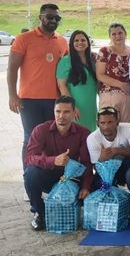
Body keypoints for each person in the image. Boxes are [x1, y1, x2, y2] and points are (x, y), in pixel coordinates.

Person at [8, 3, 68, 165]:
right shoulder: (24, 39)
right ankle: (29, 175)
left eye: (57, 18)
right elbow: (12, 69)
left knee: (52, 138)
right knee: (31, 139)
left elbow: (68, 67)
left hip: (55, 101)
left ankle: (47, 175)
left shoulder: (62, 42)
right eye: (49, 17)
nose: (53, 20)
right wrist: (13, 95)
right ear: (40, 17)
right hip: (29, 100)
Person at [23, 96, 93, 231]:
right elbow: (29, 158)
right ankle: (40, 213)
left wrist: (86, 186)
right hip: (49, 174)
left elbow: (86, 162)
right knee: (30, 173)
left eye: (66, 112)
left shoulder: (83, 133)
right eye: (58, 111)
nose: (61, 116)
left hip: (72, 178)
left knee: (97, 184)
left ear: (74, 113)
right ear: (53, 112)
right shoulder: (41, 130)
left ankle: (76, 207)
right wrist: (53, 160)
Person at [56, 30, 98, 132]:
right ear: (71, 43)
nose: (80, 42)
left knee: (91, 135)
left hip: (91, 107)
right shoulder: (66, 61)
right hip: (76, 107)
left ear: (88, 43)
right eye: (76, 40)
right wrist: (72, 107)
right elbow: (62, 85)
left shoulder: (92, 61)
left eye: (83, 40)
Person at [86, 106, 130, 188]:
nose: (106, 127)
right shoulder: (92, 138)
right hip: (106, 169)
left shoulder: (128, 128)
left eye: (110, 122)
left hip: (126, 166)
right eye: (102, 123)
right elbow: (96, 168)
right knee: (99, 184)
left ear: (117, 122)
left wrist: (116, 151)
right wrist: (101, 159)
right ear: (97, 124)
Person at [96, 23, 130, 123]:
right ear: (110, 36)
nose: (117, 36)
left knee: (126, 128)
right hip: (109, 95)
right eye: (113, 34)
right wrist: (120, 85)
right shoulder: (105, 51)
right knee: (108, 128)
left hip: (129, 96)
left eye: (120, 33)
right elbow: (100, 75)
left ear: (125, 34)